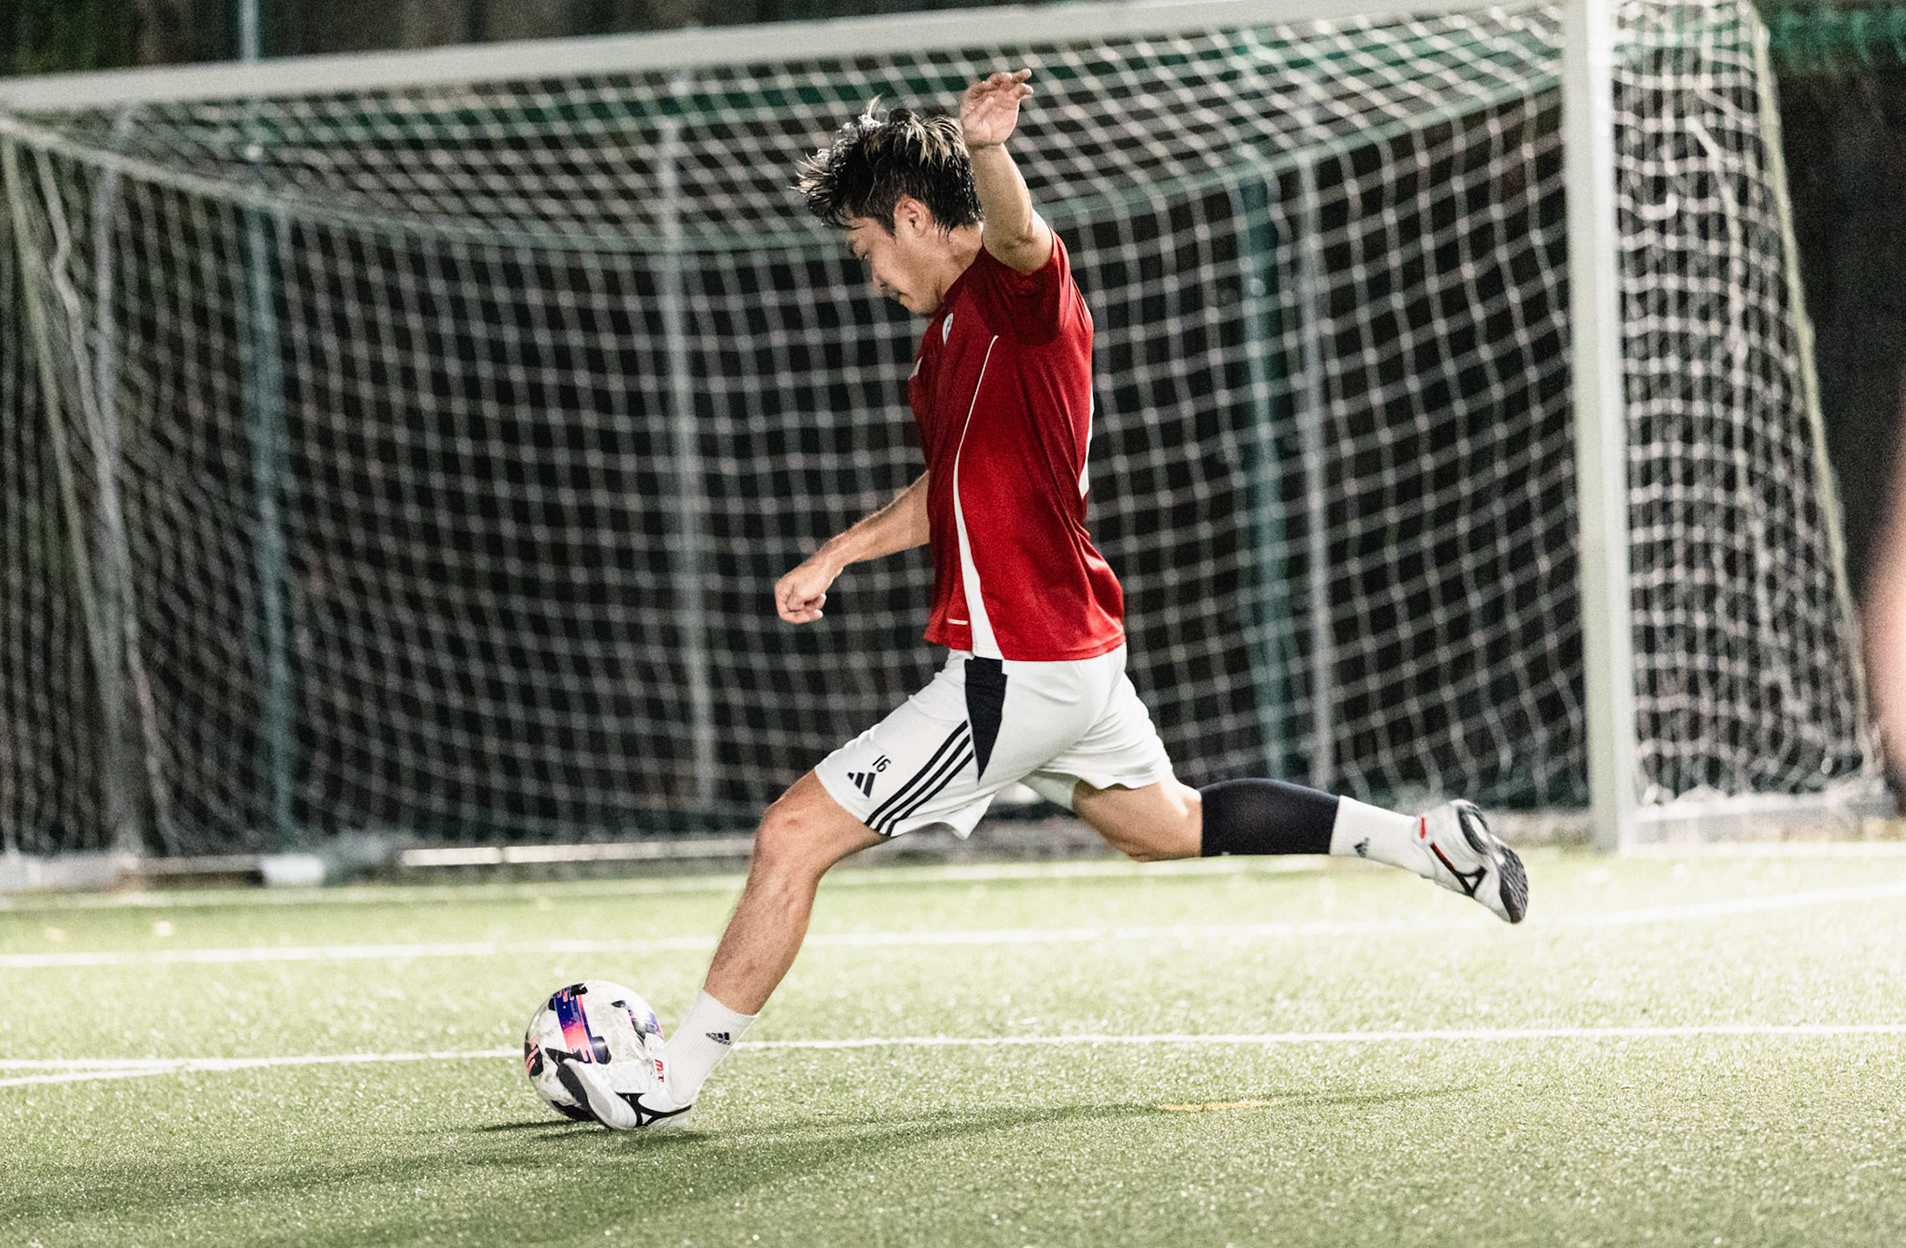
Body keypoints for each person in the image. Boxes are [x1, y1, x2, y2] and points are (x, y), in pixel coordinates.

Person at [558, 71, 1528, 1130]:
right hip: (1073, 656)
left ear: (914, 219)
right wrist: (839, 553)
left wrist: (987, 149)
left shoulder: (1017, 299)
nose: (868, 273)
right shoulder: (943, 346)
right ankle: (1425, 840)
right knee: (1166, 825)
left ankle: (668, 1080)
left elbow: (1019, 236)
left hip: (1016, 668)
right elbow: (950, 488)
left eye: (866, 246)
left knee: (791, 836)